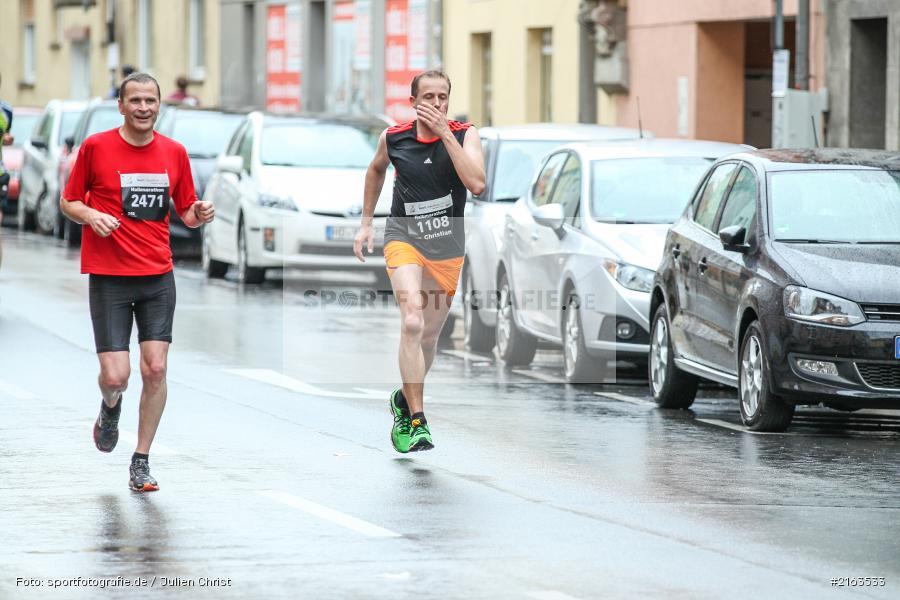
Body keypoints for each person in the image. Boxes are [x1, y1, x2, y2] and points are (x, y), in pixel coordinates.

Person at [60, 72, 214, 491]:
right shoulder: (96, 147)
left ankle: (141, 459)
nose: (144, 108)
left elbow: (184, 212)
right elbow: (68, 200)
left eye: (151, 100)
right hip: (110, 278)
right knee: (115, 376)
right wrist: (91, 215)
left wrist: (198, 213)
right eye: (136, 101)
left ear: (159, 106)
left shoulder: (174, 152)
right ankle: (110, 407)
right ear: (122, 106)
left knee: (156, 368)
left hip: (157, 276)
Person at [354, 71, 484, 453]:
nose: (437, 104)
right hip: (404, 240)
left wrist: (446, 135)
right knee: (412, 318)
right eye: (428, 97)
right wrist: (366, 224)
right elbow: (376, 169)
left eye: (443, 96)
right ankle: (417, 419)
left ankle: (403, 398)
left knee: (428, 336)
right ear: (414, 102)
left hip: (446, 248)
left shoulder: (464, 134)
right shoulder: (394, 138)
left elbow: (476, 184)